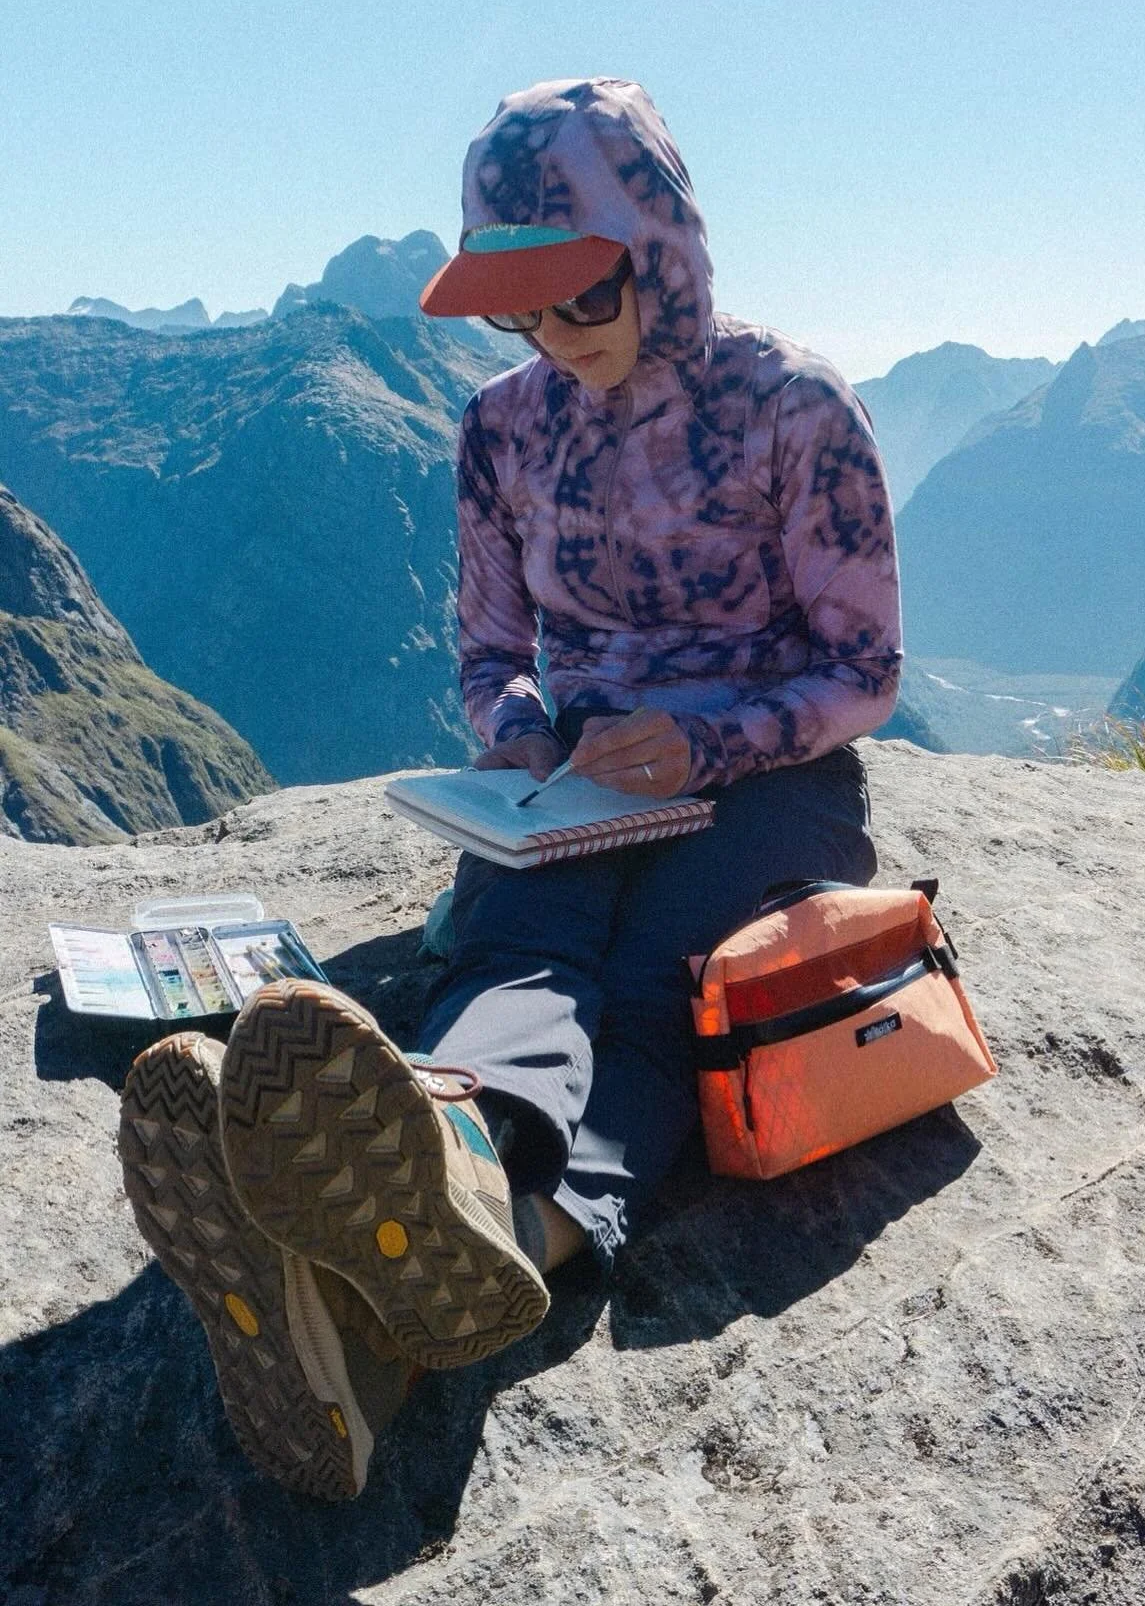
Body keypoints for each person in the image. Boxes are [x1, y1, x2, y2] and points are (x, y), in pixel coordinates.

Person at [118, 77, 902, 1500]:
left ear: (657, 248)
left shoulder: (797, 406)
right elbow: (491, 654)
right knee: (518, 938)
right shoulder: (502, 428)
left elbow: (864, 671)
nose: (551, 337)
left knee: (674, 979)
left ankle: (427, 1274)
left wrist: (710, 742)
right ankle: (450, 1182)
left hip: (775, 779)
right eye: (517, 310)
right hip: (579, 772)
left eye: (578, 301)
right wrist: (524, 739)